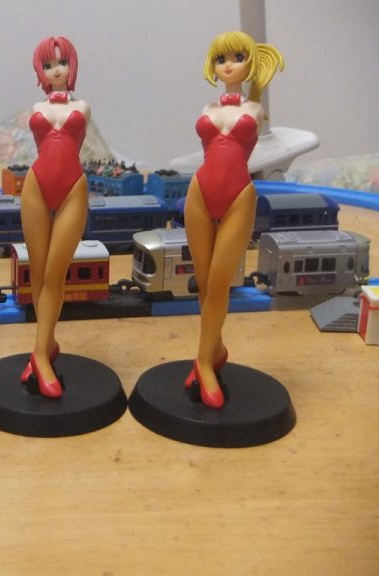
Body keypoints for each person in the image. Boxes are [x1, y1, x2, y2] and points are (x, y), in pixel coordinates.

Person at [184, 31, 284, 408]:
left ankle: (202, 362)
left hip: (239, 196)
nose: (228, 65)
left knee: (220, 282)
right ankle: (216, 350)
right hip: (199, 192)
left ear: (251, 63)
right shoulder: (208, 108)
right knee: (204, 283)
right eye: (221, 58)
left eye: (238, 57)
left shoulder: (255, 110)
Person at [20, 36, 90, 398]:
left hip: (72, 188)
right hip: (36, 185)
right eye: (48, 65)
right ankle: (44, 346)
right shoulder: (37, 106)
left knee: (54, 272)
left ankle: (39, 354)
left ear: (72, 65)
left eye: (61, 63)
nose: (56, 70)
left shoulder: (83, 107)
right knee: (37, 270)